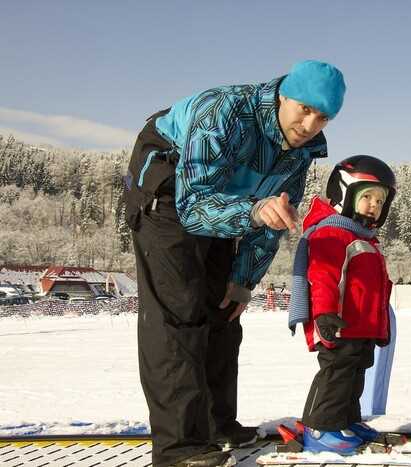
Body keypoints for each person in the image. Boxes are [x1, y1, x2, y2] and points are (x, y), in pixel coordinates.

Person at [124, 60, 346, 467]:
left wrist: (243, 280)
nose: (311, 124)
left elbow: (275, 218)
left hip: (230, 203)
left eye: (323, 117)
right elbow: (194, 209)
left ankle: (216, 424)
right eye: (304, 110)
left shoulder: (300, 153)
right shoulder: (222, 111)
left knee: (223, 308)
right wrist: (256, 210)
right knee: (180, 313)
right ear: (284, 96)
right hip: (170, 191)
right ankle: (179, 448)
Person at [288, 155, 397, 454]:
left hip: (359, 327)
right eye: (367, 197)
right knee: (336, 375)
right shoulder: (332, 233)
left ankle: (346, 420)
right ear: (343, 194)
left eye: (380, 200)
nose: (374, 205)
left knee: (354, 375)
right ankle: (320, 428)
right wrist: (323, 313)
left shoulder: (365, 239)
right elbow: (322, 277)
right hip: (337, 324)